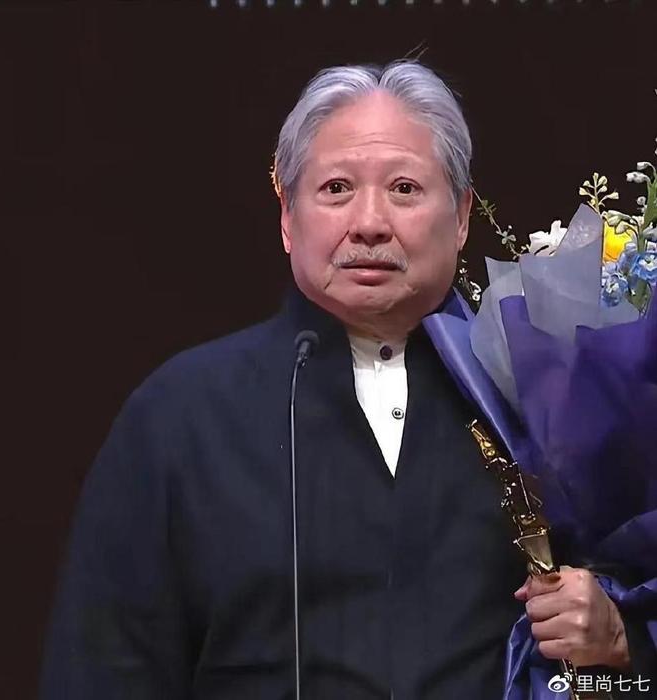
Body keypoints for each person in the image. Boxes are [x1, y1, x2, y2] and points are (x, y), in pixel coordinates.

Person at [39, 61, 650, 699]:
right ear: (287, 216)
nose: (370, 222)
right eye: (336, 189)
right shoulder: (180, 415)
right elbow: (102, 668)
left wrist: (621, 636)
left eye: (405, 189)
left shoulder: (537, 396)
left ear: (463, 216)